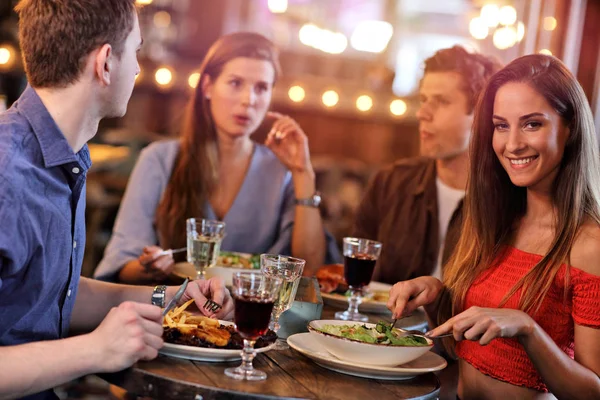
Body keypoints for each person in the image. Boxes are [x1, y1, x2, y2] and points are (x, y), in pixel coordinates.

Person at [0, 1, 232, 399]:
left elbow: (52, 292)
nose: (138, 68)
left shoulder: (64, 156)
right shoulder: (8, 175)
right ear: (106, 63)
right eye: (136, 50)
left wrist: (173, 299)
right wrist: (94, 350)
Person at [388, 54, 600, 399]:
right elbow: (480, 326)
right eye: (502, 125)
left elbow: (593, 391)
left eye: (532, 124)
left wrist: (527, 329)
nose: (512, 144)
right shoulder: (495, 218)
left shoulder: (590, 243)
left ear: (570, 127)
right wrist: (437, 290)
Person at [94, 32, 339, 284]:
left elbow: (310, 269)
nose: (249, 100)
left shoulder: (281, 172)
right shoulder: (159, 159)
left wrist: (303, 173)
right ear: (208, 86)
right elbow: (121, 265)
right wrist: (152, 266)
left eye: (261, 88)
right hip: (176, 313)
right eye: (235, 83)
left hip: (249, 316)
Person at [353, 46, 502, 284]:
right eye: (423, 100)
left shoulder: (508, 201)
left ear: (481, 116)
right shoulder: (391, 183)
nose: (423, 113)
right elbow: (352, 277)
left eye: (441, 101)